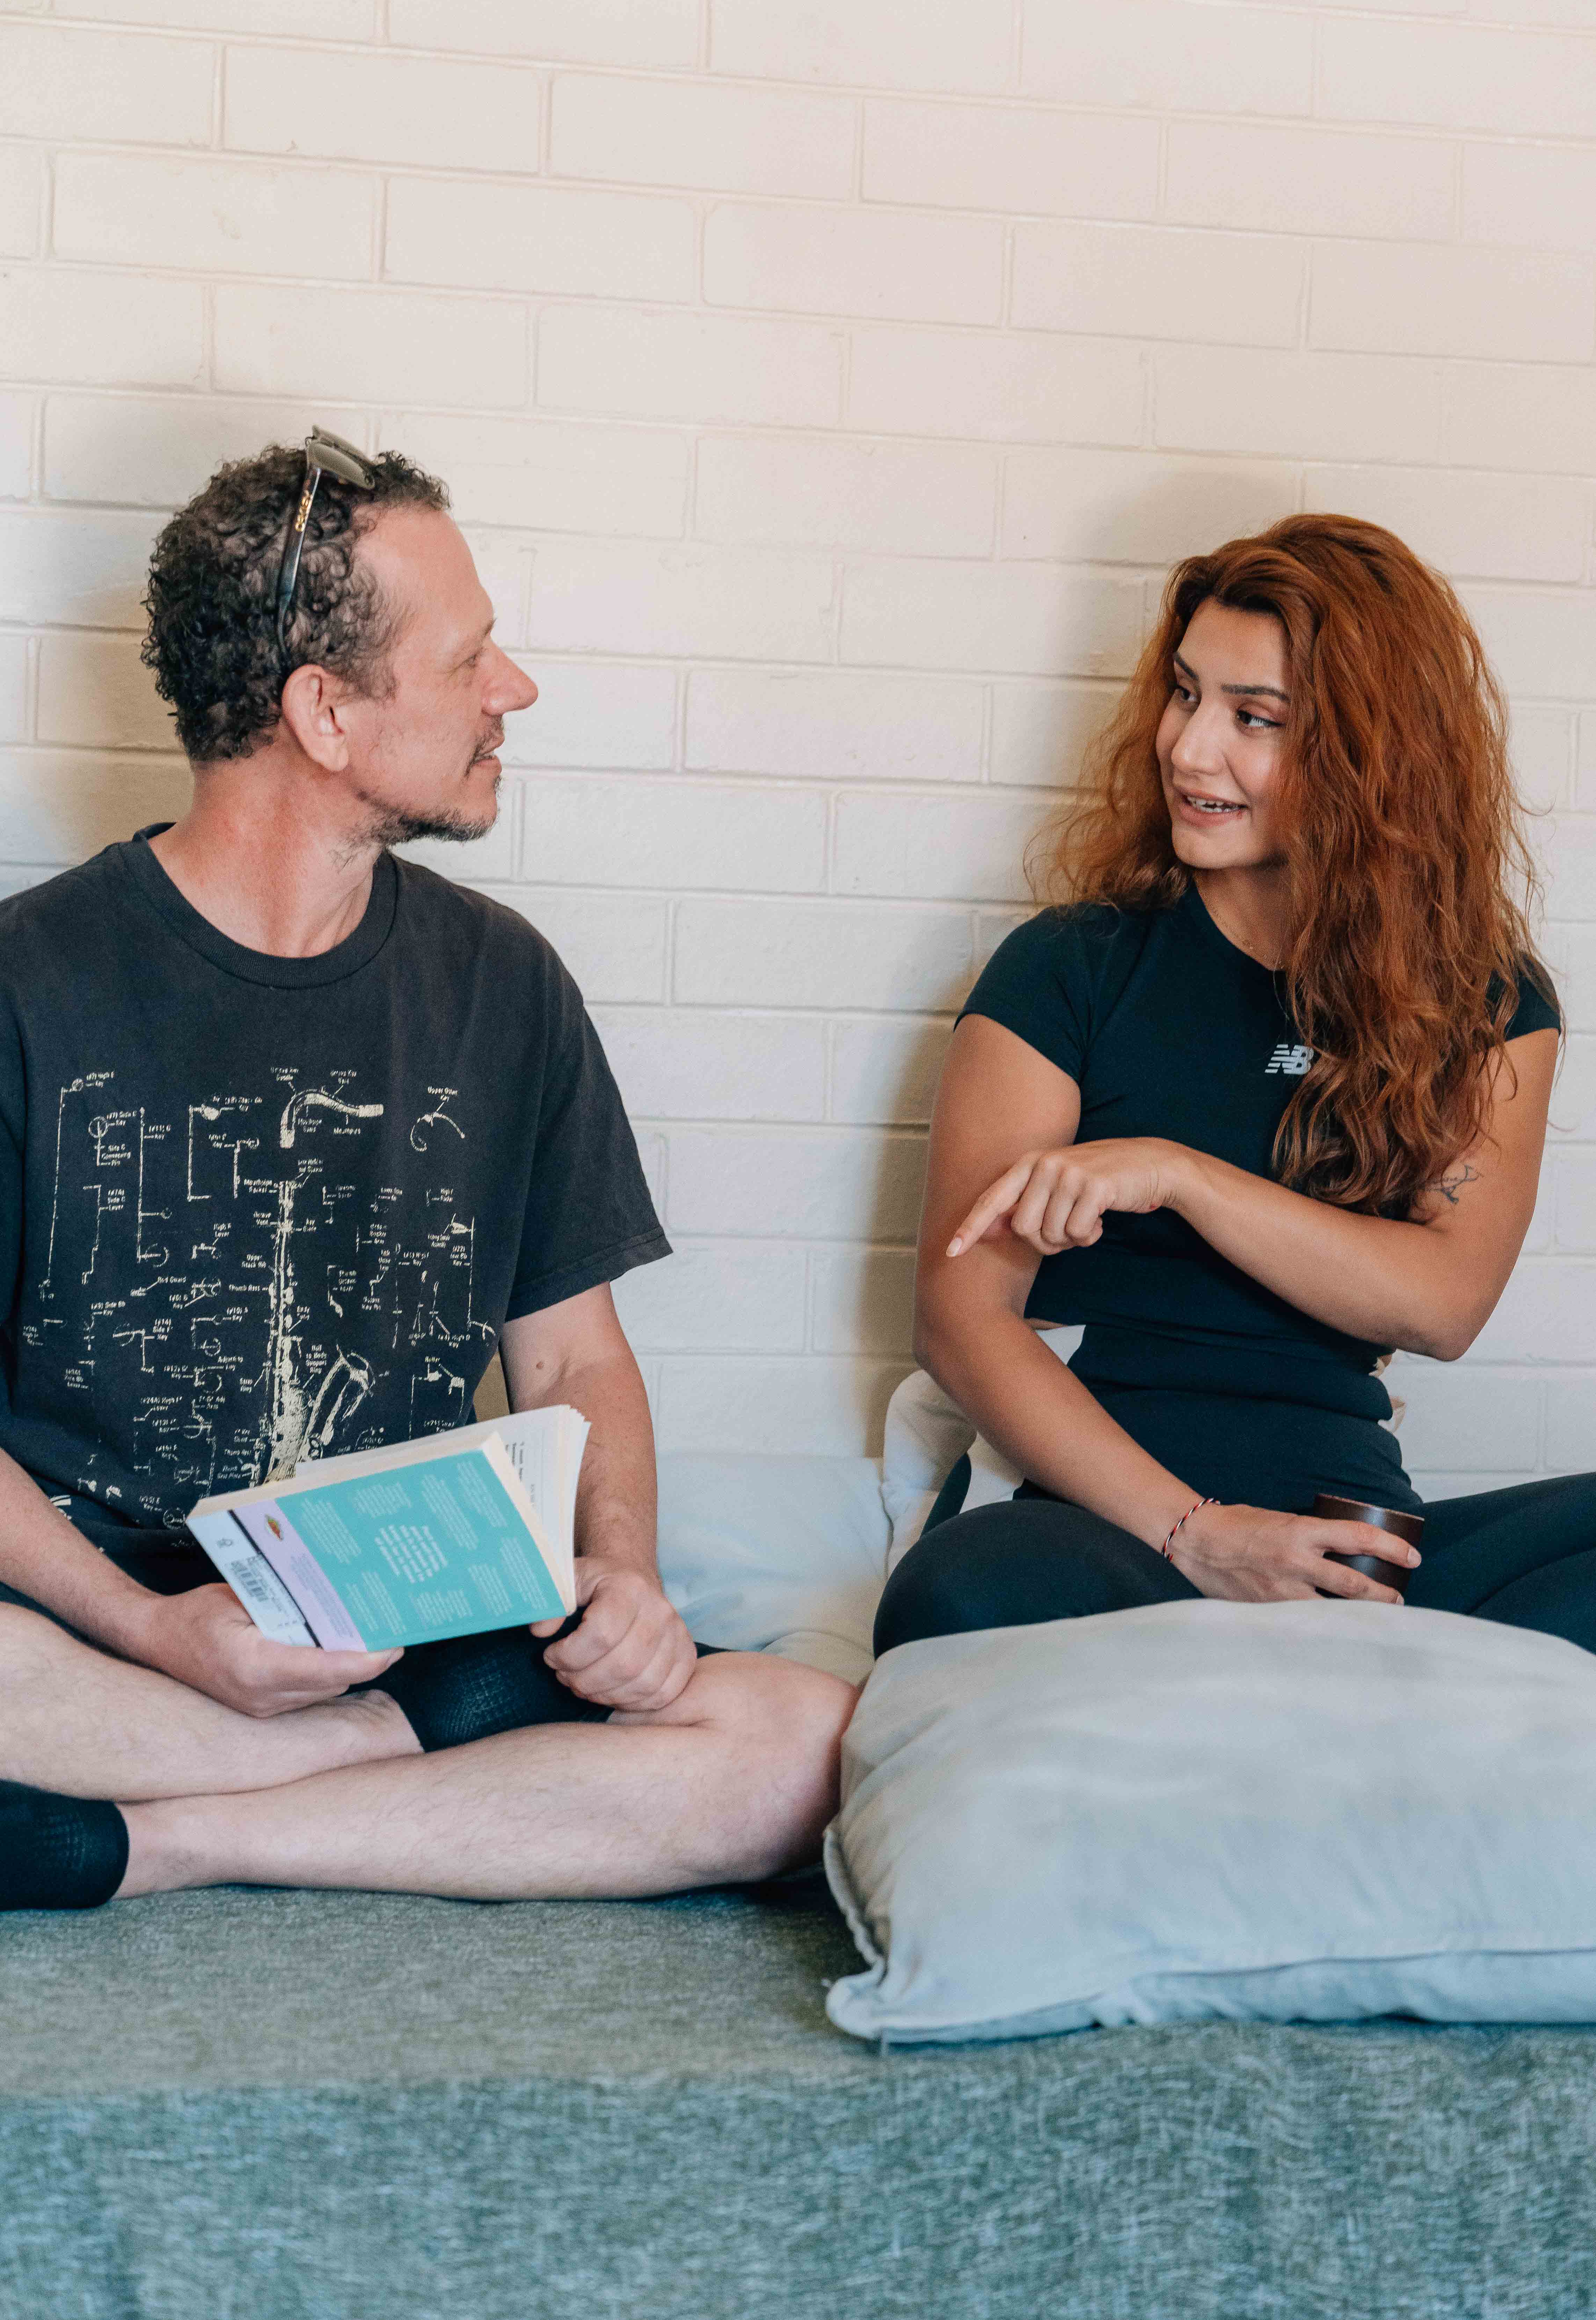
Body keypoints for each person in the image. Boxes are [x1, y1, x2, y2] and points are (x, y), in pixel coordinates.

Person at [0, 431, 854, 1914]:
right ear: (325, 712)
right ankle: (413, 1773)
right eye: (469, 660)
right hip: (81, 1630)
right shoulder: (27, 982)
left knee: (802, 1745)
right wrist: (155, 1632)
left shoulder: (504, 987)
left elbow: (577, 1358)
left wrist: (627, 1577)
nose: (510, 692)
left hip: (412, 1633)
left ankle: (159, 1838)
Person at [876, 513, 1591, 1664]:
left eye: (1254, 719)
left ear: (1374, 759)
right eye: (1184, 694)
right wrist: (1199, 1537)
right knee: (959, 1601)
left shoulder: (1487, 1001)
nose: (1188, 748)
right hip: (1096, 1523)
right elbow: (960, 1325)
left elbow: (1442, 1303)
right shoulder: (1073, 966)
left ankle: (1358, 1677)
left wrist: (1178, 1175)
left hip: (1348, 1549)